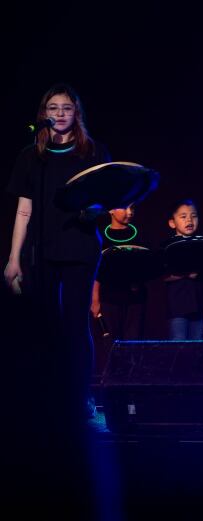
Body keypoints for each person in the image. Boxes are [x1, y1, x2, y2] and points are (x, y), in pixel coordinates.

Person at [4, 83, 111, 418]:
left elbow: (107, 197)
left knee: (76, 322)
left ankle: (82, 395)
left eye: (67, 108)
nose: (60, 114)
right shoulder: (31, 155)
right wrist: (13, 258)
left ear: (76, 113)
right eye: (54, 108)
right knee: (44, 324)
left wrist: (95, 209)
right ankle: (48, 395)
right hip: (43, 249)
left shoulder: (92, 151)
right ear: (44, 113)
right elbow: (24, 209)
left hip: (80, 247)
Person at [162, 199, 203, 340]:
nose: (189, 220)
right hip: (177, 307)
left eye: (194, 216)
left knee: (197, 346)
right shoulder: (168, 247)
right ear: (172, 222)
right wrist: (186, 274)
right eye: (183, 216)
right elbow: (163, 276)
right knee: (178, 345)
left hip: (200, 304)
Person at [91, 204, 148, 340]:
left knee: (133, 341)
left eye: (133, 208)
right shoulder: (101, 237)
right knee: (112, 342)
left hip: (135, 298)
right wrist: (95, 299)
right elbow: (97, 270)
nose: (130, 212)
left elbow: (146, 264)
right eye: (124, 207)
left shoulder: (139, 235)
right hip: (109, 298)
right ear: (111, 210)